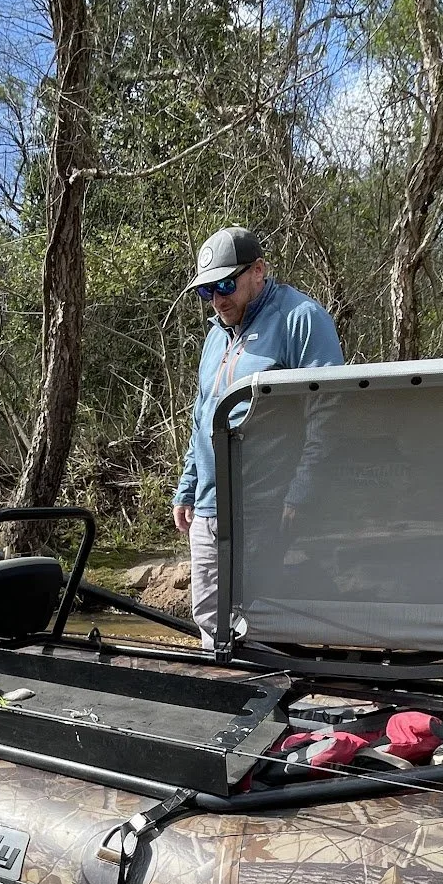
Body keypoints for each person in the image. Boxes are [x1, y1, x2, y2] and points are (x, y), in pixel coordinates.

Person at [172, 226, 343, 646]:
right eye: (207, 290)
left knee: (264, 621)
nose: (217, 298)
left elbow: (332, 413)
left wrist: (302, 493)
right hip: (212, 507)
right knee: (212, 621)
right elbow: (202, 415)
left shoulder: (300, 319)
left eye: (226, 284)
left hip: (269, 507)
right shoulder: (215, 335)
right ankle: (225, 704)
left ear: (259, 270)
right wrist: (187, 488)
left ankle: (271, 705)